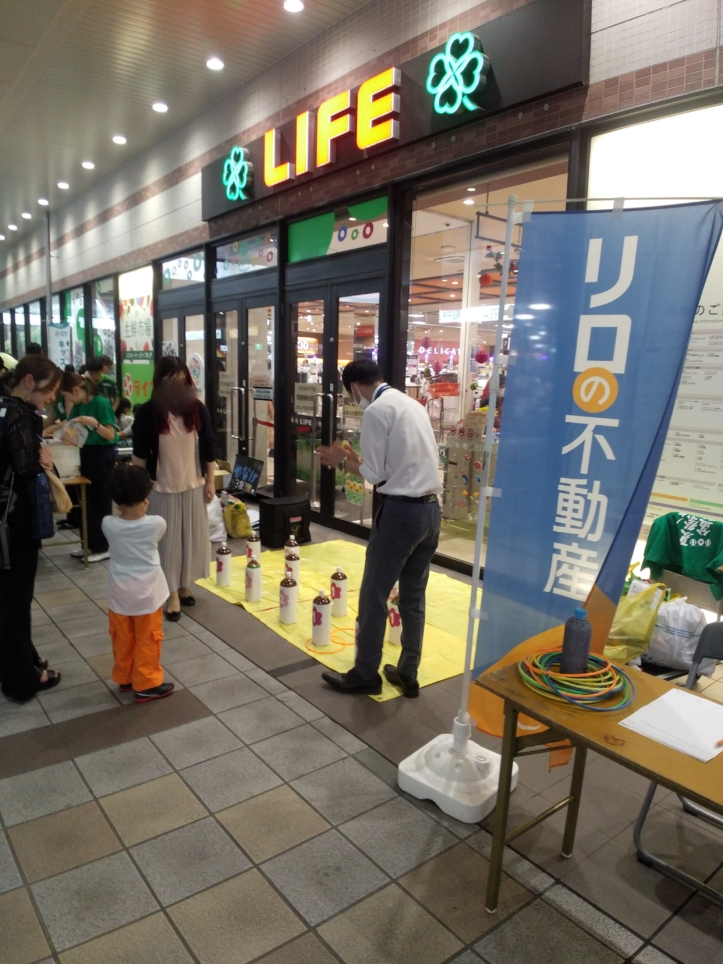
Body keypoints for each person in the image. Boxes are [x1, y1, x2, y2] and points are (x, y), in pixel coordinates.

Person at [316, 359, 442, 697]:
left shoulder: (375, 411)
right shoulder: (410, 403)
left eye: (350, 393)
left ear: (355, 386)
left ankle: (365, 673)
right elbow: (394, 464)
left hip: (401, 513)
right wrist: (354, 459)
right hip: (431, 512)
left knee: (374, 594)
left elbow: (375, 475)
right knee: (413, 597)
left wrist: (343, 460)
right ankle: (408, 673)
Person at [132, 357, 216, 620]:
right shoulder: (148, 413)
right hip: (161, 487)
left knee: (189, 539)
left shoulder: (196, 410)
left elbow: (210, 448)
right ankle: (171, 594)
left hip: (193, 485)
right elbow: (139, 457)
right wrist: (139, 491)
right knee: (167, 543)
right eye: (170, 381)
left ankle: (184, 584)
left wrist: (211, 481)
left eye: (181, 380)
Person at [0, 356, 63, 701]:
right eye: (49, 388)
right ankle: (22, 679)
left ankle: (22, 662)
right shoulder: (20, 415)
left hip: (3, 521)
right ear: (28, 380)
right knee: (16, 602)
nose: (51, 397)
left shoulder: (2, 406)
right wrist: (45, 459)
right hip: (14, 523)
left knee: (8, 601)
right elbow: (27, 467)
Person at [103, 463, 174, 702]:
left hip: (118, 596)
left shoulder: (108, 524)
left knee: (122, 638)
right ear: (145, 496)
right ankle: (146, 683)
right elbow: (150, 529)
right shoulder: (156, 523)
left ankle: (125, 678)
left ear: (115, 498)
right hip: (147, 596)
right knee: (147, 640)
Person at [61, 373, 117, 562]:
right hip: (84, 453)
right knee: (85, 502)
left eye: (68, 396)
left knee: (99, 501)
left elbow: (110, 435)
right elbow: (71, 431)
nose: (67, 400)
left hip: (102, 454)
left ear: (76, 390)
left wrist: (95, 424)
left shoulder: (101, 403)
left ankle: (103, 547)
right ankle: (88, 545)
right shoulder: (78, 406)